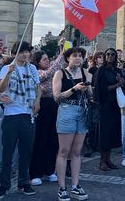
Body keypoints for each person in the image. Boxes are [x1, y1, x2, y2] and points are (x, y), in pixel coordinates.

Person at [0, 41, 40, 199]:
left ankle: (24, 182)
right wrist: (8, 73)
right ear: (15, 53)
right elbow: (0, 89)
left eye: (27, 52)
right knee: (8, 152)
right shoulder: (7, 68)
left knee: (26, 151)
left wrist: (38, 101)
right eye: (22, 52)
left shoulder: (32, 68)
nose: (25, 55)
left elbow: (37, 87)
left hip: (28, 114)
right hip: (11, 114)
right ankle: (4, 184)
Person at [52, 47, 92, 201]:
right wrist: (74, 88)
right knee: (64, 150)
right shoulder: (60, 73)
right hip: (67, 110)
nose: (78, 58)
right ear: (68, 58)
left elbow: (91, 95)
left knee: (76, 152)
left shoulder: (86, 73)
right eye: (75, 56)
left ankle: (75, 186)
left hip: (82, 111)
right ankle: (62, 187)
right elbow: (57, 97)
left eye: (80, 56)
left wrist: (88, 90)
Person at [30, 51, 59, 186]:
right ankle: (36, 172)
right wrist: (61, 55)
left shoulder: (52, 71)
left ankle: (49, 170)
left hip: (54, 105)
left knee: (53, 140)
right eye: (44, 59)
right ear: (38, 61)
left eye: (48, 59)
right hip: (43, 105)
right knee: (40, 139)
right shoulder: (36, 72)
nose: (48, 61)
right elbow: (48, 74)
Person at [93, 48, 124, 171]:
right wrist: (117, 85)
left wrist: (121, 81)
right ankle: (102, 161)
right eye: (108, 54)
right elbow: (101, 88)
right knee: (104, 133)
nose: (110, 56)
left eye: (112, 54)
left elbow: (123, 83)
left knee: (112, 133)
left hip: (115, 105)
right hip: (104, 105)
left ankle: (108, 159)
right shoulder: (101, 71)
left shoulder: (117, 70)